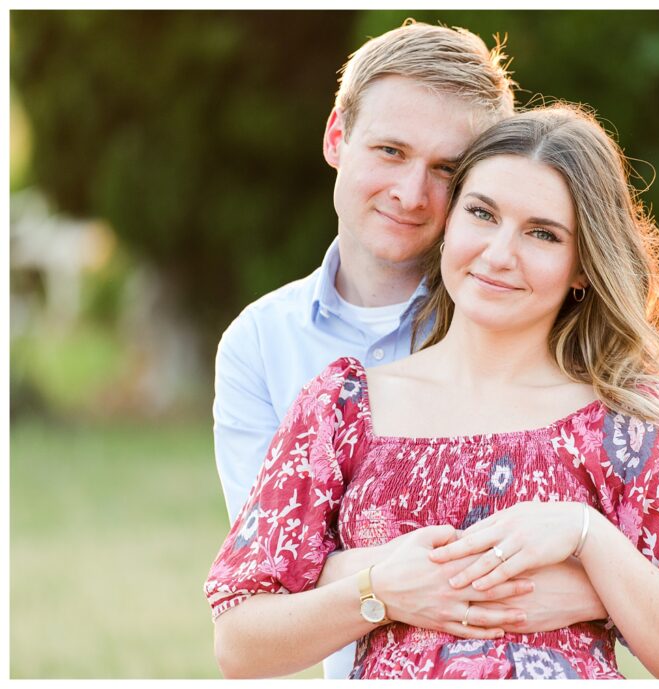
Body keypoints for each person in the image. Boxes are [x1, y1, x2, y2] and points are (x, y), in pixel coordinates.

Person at [205, 103, 659, 679]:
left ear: (582, 266)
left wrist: (587, 537)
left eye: (542, 234)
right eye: (482, 213)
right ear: (449, 222)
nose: (500, 254)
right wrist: (378, 591)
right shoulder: (343, 409)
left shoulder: (627, 420)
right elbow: (239, 643)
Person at [210, 20, 607, 680]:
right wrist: (578, 579)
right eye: (390, 150)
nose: (411, 193)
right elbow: (271, 574)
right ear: (337, 137)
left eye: (447, 169)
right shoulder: (259, 344)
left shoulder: (526, 317)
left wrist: (593, 566)